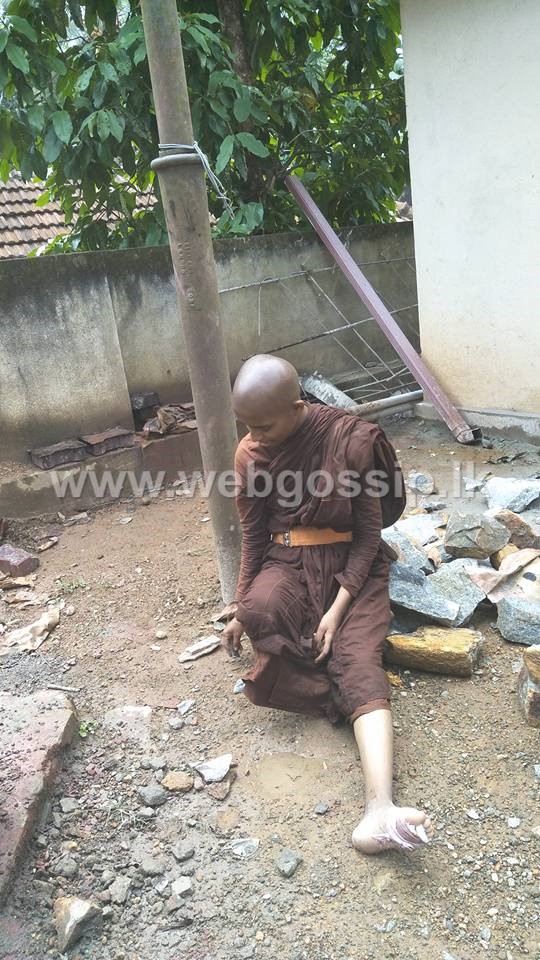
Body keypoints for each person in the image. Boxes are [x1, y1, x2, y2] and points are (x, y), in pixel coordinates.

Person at [220, 355, 433, 854]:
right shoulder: (250, 454)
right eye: (245, 426)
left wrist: (337, 609)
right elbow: (254, 536)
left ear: (297, 409)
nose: (253, 437)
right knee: (261, 611)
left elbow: (369, 535)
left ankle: (380, 807)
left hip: (350, 564)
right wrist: (239, 605)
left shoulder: (349, 440)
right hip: (287, 559)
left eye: (263, 426)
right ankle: (325, 684)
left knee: (357, 660)